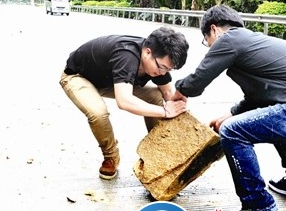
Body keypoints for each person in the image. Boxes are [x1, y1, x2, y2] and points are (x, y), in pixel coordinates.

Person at [172, 4, 286, 211]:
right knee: (269, 116)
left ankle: (259, 205)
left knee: (232, 131)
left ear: (214, 29)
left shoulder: (229, 39)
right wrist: (230, 113)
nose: (210, 47)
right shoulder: (252, 42)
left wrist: (178, 92)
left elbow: (197, 82)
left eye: (207, 41)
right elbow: (260, 98)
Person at [60, 26, 189, 179]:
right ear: (147, 52)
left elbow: (168, 93)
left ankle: (158, 149)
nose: (162, 73)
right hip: (79, 76)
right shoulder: (126, 55)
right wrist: (165, 112)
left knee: (155, 95)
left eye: (168, 70)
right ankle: (111, 156)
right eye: (161, 67)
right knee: (98, 112)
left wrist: (185, 121)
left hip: (110, 82)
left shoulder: (157, 63)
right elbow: (124, 101)